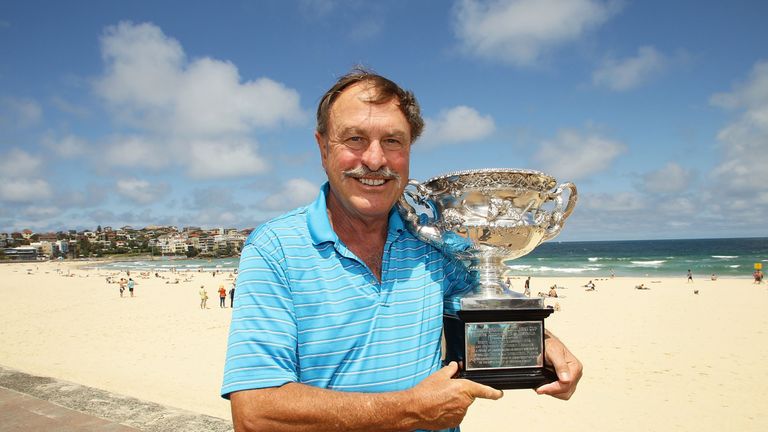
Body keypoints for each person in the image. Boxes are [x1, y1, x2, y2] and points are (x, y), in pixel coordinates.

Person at [221, 69, 582, 431]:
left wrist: (542, 341)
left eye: (393, 141)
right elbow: (255, 413)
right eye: (355, 139)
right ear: (323, 148)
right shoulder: (275, 249)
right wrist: (410, 409)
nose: (376, 160)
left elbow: (483, 300)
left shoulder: (436, 243)